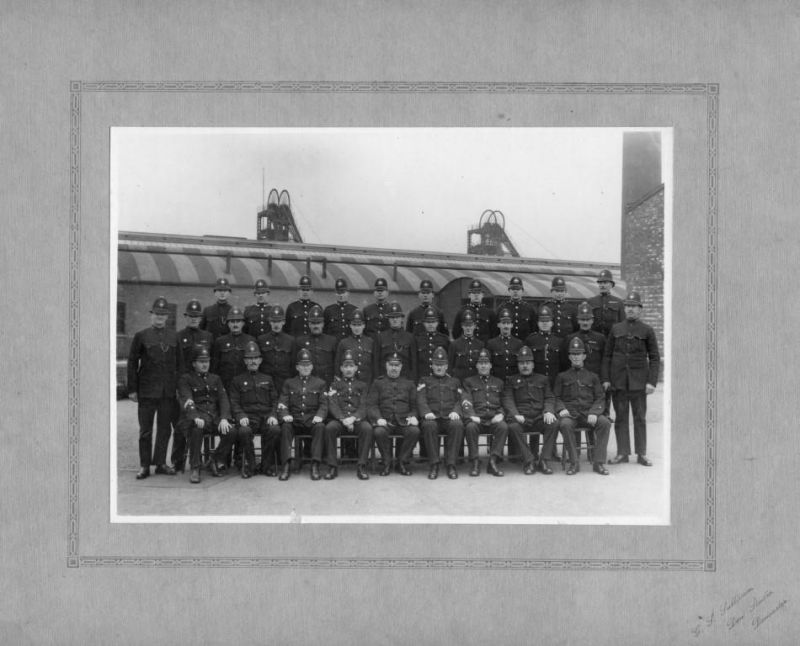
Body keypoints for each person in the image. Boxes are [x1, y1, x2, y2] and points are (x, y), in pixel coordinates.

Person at [602, 291, 660, 467]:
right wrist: (606, 378)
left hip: (638, 383)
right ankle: (622, 453)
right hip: (618, 382)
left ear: (640, 309)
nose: (630, 309)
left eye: (634, 306)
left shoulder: (647, 330)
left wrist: (651, 382)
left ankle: (641, 453)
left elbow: (655, 358)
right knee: (620, 418)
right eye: (627, 306)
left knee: (640, 418)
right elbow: (607, 356)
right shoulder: (616, 329)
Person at [127, 296, 179, 479]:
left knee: (165, 429)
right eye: (157, 313)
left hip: (167, 392)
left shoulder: (174, 336)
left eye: (163, 314)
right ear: (151, 315)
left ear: (167, 316)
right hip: (147, 391)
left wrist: (177, 389)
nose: (160, 317)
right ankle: (144, 465)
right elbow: (132, 363)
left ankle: (161, 463)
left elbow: (178, 364)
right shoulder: (141, 336)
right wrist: (132, 389)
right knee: (145, 430)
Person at [554, 337, 612, 475]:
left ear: (584, 356)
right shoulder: (562, 377)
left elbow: (600, 397)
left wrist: (594, 412)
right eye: (573, 354)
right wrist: (561, 409)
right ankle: (574, 462)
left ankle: (599, 463)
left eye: (578, 354)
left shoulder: (593, 377)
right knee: (565, 425)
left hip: (588, 413)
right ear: (569, 357)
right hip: (571, 414)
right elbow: (555, 397)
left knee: (605, 423)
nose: (576, 357)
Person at [176, 347, 232, 484]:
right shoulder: (186, 379)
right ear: (193, 363)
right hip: (195, 418)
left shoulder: (215, 379)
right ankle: (196, 467)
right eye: (201, 361)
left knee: (232, 431)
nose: (205, 364)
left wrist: (224, 418)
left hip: (213, 418)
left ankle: (214, 459)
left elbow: (223, 399)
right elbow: (187, 399)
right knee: (196, 428)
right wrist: (195, 416)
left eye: (207, 361)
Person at [228, 341, 281, 477]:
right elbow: (234, 402)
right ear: (245, 361)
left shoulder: (268, 379)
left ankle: (266, 465)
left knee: (274, 429)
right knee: (244, 432)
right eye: (249, 358)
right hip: (248, 418)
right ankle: (251, 465)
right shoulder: (237, 380)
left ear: (260, 360)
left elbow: (275, 401)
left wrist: (273, 415)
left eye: (255, 358)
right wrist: (240, 416)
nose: (253, 361)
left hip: (265, 417)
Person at [503, 346, 558, 475]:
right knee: (513, 427)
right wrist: (516, 414)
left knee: (553, 423)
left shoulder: (542, 379)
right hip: (520, 418)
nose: (525, 366)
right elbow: (507, 399)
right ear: (518, 365)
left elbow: (550, 397)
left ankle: (544, 460)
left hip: (539, 417)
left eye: (528, 363)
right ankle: (529, 460)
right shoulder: (511, 380)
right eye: (522, 363)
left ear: (533, 365)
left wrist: (548, 411)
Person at [173, 298, 214, 471]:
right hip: (185, 384)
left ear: (200, 317)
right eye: (191, 316)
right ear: (186, 317)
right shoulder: (178, 337)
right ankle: (177, 461)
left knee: (203, 420)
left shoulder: (208, 337)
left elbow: (213, 362)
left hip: (203, 385)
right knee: (182, 423)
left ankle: (204, 458)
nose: (194, 319)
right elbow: (176, 363)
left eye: (197, 316)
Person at [277, 349, 328, 481]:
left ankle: (315, 464)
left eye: (308, 365)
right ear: (297, 367)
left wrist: (320, 416)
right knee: (285, 427)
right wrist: (285, 415)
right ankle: (286, 465)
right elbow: (282, 403)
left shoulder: (320, 383)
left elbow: (324, 404)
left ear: (312, 366)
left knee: (320, 427)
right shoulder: (289, 383)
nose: (305, 368)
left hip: (312, 420)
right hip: (295, 420)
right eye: (302, 365)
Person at [366, 353, 420, 476]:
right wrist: (378, 418)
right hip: (385, 421)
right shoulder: (378, 383)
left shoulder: (409, 384)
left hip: (403, 421)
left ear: (401, 367)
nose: (394, 368)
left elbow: (414, 405)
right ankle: (387, 462)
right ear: (386, 366)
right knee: (379, 432)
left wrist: (413, 416)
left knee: (414, 431)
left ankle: (402, 461)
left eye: (397, 365)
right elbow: (371, 405)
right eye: (391, 365)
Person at [324, 350, 374, 480]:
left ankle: (362, 465)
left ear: (356, 368)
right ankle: (332, 466)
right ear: (341, 368)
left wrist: (353, 418)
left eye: (351, 366)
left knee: (367, 428)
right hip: (340, 419)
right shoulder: (334, 385)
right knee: (329, 428)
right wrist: (342, 418)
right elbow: (333, 404)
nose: (348, 369)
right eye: (345, 366)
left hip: (356, 419)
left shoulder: (363, 385)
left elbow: (364, 405)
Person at [417, 347, 464, 479]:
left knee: (457, 425)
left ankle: (451, 464)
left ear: (447, 366)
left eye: (442, 365)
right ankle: (434, 464)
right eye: (436, 365)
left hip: (448, 417)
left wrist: (456, 411)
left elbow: (461, 400)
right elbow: (420, 399)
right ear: (431, 366)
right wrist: (426, 413)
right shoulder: (424, 381)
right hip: (432, 417)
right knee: (429, 425)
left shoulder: (455, 381)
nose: (439, 368)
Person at [461, 348, 508, 477]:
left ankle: (493, 462)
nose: (483, 366)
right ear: (476, 365)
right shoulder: (469, 382)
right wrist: (471, 415)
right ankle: (475, 461)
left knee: (503, 426)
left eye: (486, 363)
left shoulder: (498, 382)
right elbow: (466, 400)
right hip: (477, 418)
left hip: (493, 418)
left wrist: (501, 414)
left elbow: (504, 402)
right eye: (480, 363)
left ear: (490, 365)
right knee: (470, 427)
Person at [565, 301, 609, 427]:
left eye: (588, 319)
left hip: (595, 381)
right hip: (576, 381)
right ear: (578, 320)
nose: (585, 322)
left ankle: (595, 446)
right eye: (582, 319)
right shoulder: (570, 338)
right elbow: (565, 361)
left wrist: (605, 379)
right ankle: (576, 444)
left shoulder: (600, 338)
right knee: (576, 415)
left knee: (595, 417)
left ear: (592, 320)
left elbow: (605, 360)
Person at [211, 306, 255, 390]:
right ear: (228, 323)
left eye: (238, 321)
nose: (235, 324)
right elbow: (215, 366)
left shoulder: (251, 340)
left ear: (243, 323)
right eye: (232, 321)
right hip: (225, 383)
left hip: (245, 383)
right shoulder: (220, 341)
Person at [256, 305, 296, 393]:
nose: (276, 324)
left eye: (278, 321)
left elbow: (293, 364)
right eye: (273, 321)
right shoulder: (261, 339)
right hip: (265, 381)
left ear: (284, 322)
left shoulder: (290, 340)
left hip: (284, 381)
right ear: (269, 322)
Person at [295, 304, 338, 387]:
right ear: (309, 324)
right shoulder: (300, 341)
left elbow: (336, 363)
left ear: (323, 324)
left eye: (318, 323)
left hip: (327, 382)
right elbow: (295, 365)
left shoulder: (332, 341)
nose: (316, 326)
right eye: (313, 323)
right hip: (307, 383)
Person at [374, 301, 417, 381]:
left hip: (405, 380)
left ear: (401, 318)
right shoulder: (380, 337)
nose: (395, 320)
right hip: (385, 380)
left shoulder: (410, 337)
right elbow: (376, 362)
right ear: (388, 319)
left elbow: (413, 363)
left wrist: (412, 381)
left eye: (397, 317)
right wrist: (378, 380)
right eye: (392, 317)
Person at [334, 310, 375, 385]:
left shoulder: (370, 342)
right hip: (349, 383)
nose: (357, 328)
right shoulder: (343, 343)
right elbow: (338, 364)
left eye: (359, 325)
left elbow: (373, 364)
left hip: (367, 382)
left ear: (364, 325)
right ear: (350, 325)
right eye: (354, 325)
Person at [486, 308, 523, 382]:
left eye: (508, 323)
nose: (506, 326)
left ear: (512, 325)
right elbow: (488, 365)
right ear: (498, 325)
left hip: (514, 382)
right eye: (503, 323)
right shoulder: (491, 343)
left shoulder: (519, 343)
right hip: (496, 381)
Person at [448, 309, 484, 382]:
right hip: (459, 380)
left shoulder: (480, 344)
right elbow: (450, 366)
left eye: (470, 325)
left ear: (475, 326)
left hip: (475, 381)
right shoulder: (454, 344)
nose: (468, 328)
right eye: (466, 325)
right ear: (462, 326)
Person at [496, 276, 537, 340]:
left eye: (518, 289)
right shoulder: (502, 308)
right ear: (509, 290)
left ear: (522, 291)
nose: (515, 291)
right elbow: (496, 329)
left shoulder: (529, 309)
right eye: (513, 289)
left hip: (525, 344)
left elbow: (534, 329)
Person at [414, 306, 450, 378]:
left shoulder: (444, 339)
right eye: (428, 322)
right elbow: (414, 362)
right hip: (422, 377)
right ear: (423, 323)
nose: (430, 324)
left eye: (433, 322)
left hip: (440, 379)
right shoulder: (417, 340)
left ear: (437, 323)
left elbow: (449, 361)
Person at [588, 269, 624, 338]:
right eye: (600, 283)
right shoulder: (591, 302)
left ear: (611, 285)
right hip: (595, 339)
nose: (602, 285)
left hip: (612, 339)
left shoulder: (619, 302)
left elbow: (622, 324)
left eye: (605, 282)